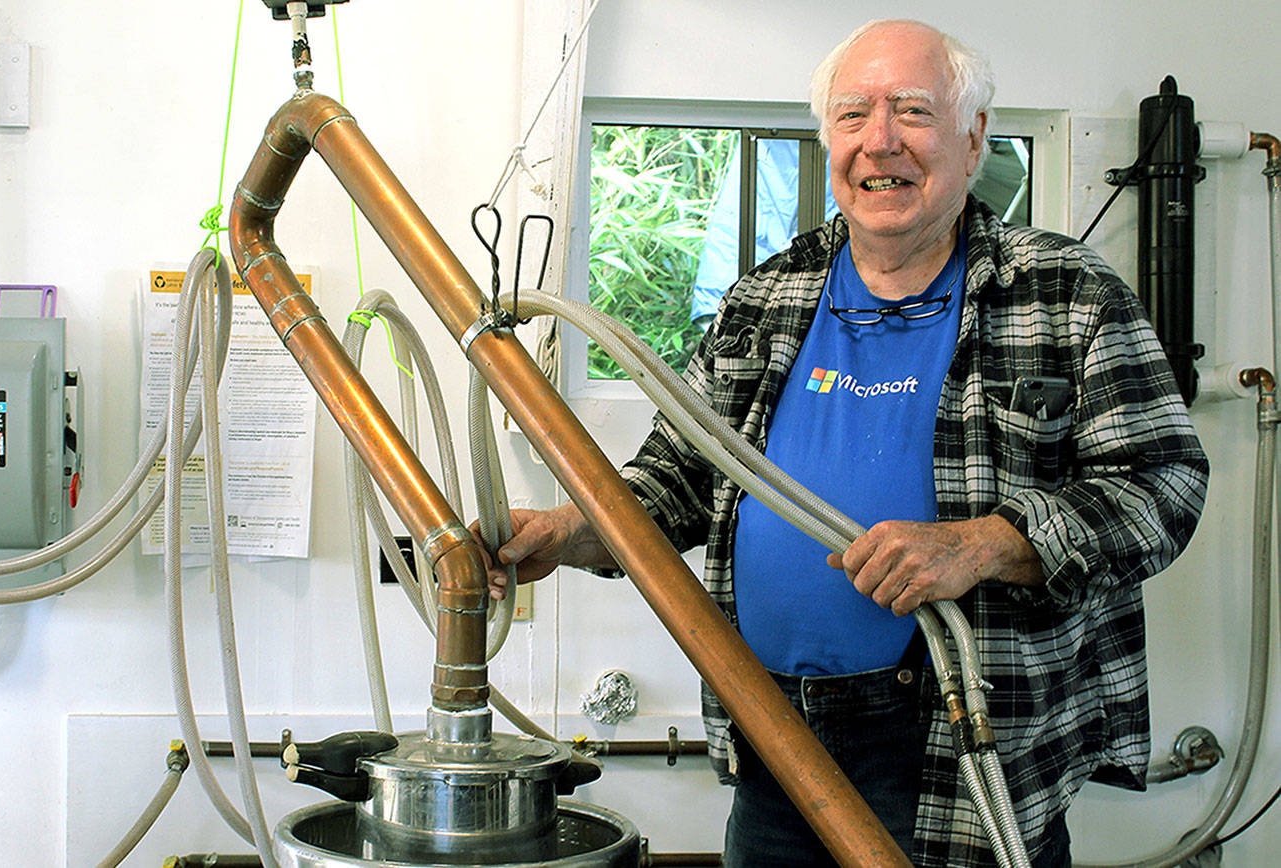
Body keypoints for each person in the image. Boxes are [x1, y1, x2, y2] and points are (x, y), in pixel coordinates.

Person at [478, 19, 1208, 868]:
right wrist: (567, 532)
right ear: (828, 139)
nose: (880, 141)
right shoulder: (767, 294)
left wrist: (984, 545)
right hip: (771, 730)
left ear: (973, 141)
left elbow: (1162, 486)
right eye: (854, 113)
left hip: (959, 745)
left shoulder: (1065, 293)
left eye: (913, 112)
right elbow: (679, 479)